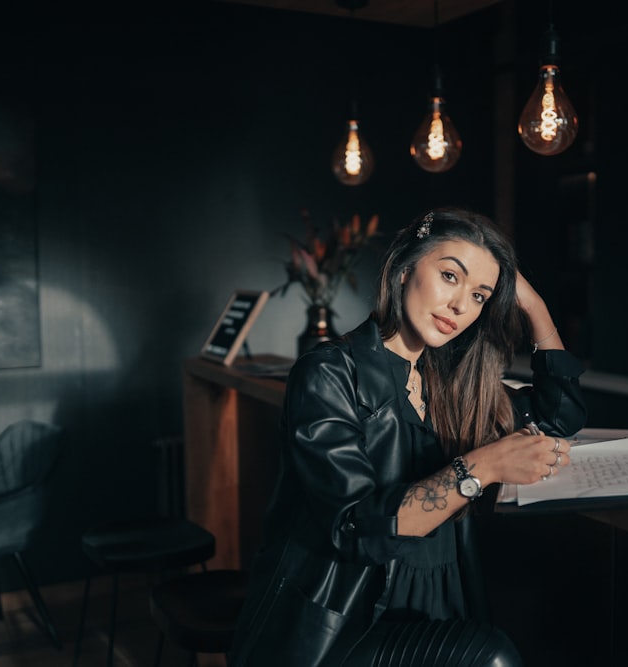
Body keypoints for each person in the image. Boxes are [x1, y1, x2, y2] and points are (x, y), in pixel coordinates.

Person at [229, 207, 586, 666]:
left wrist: (534, 305)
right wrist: (485, 466)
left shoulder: (453, 383)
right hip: (348, 627)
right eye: (450, 276)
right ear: (402, 270)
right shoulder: (329, 375)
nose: (461, 306)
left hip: (440, 598)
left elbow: (561, 415)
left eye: (480, 295)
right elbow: (355, 527)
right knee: (492, 657)